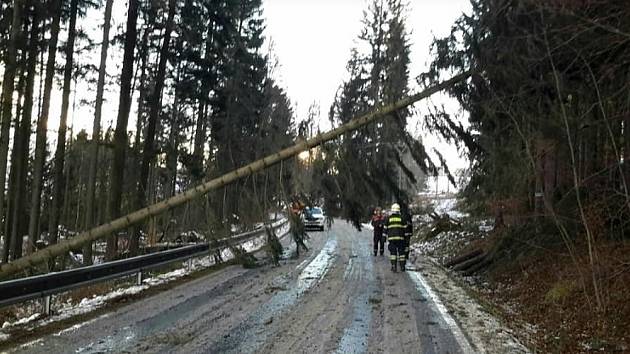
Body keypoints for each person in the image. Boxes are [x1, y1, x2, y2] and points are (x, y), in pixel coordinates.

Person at [384, 203, 409, 272]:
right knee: (401, 253)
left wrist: (384, 237)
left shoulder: (388, 219)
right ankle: (402, 266)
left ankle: (394, 266)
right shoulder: (402, 218)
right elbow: (406, 230)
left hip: (391, 239)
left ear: (392, 210)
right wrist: (407, 238)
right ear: (399, 210)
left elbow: (385, 228)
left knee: (393, 253)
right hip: (400, 239)